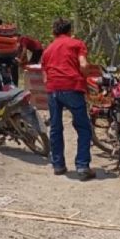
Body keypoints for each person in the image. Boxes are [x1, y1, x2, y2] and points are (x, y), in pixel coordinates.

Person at [41, 18, 95, 180]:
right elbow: (84, 65)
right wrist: (86, 79)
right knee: (83, 128)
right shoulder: (77, 44)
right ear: (70, 31)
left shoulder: (48, 50)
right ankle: (82, 166)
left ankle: (58, 165)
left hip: (53, 90)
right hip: (72, 87)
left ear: (54, 32)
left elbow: (44, 77)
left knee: (56, 128)